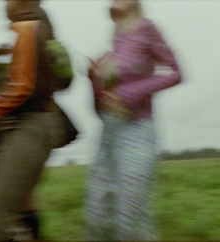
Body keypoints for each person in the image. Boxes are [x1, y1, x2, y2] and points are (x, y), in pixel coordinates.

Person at [0, 0, 78, 240]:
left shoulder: (29, 28)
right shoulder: (15, 40)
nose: (4, 4)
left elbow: (24, 89)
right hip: (10, 128)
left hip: (32, 125)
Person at [84, 0, 182, 240]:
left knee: (128, 220)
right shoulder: (116, 38)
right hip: (109, 133)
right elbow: (101, 105)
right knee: (97, 216)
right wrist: (95, 79)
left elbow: (176, 72)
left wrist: (130, 94)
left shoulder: (146, 27)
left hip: (137, 130)